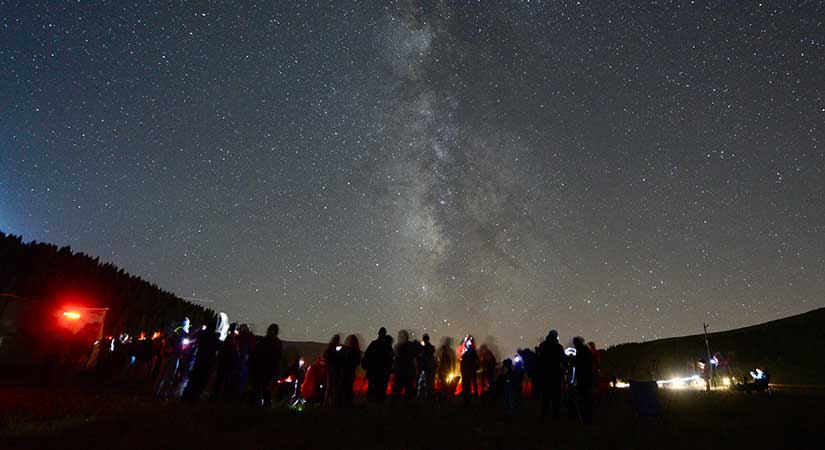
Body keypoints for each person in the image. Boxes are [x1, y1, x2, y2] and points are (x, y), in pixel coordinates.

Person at [182, 315, 223, 402]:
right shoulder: (214, 336)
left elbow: (193, 338)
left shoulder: (203, 333)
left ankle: (187, 396)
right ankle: (194, 397)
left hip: (200, 358)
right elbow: (218, 348)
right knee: (201, 379)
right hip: (207, 361)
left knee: (194, 377)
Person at [153, 318, 190, 400]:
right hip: (173, 356)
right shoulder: (181, 331)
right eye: (188, 323)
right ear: (185, 324)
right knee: (169, 376)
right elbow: (188, 338)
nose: (188, 325)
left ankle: (155, 391)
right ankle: (162, 394)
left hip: (168, 355)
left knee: (162, 374)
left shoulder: (175, 331)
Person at [248, 323, 283, 407]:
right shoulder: (274, 343)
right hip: (262, 368)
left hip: (266, 369)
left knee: (263, 390)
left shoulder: (267, 342)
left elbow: (277, 359)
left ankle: (259, 407)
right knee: (260, 389)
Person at [362, 327, 394, 403]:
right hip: (382, 372)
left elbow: (367, 355)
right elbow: (391, 356)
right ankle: (378, 406)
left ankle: (371, 405)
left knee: (372, 389)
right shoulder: (386, 346)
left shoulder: (374, 344)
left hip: (374, 371)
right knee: (380, 391)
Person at [538, 330, 564, 420]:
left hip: (545, 374)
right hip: (556, 374)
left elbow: (539, 359)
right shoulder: (559, 347)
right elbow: (563, 360)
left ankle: (543, 415)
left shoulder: (543, 346)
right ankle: (555, 416)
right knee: (556, 397)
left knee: (545, 397)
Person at [571, 336, 594, 424]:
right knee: (586, 397)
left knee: (585, 398)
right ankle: (587, 416)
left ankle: (585, 417)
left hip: (584, 378)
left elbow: (579, 364)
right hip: (586, 377)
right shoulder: (585, 350)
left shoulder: (581, 351)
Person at [392, 330, 420, 399]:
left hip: (401, 373)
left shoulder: (398, 347)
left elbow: (395, 359)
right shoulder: (410, 346)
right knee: (407, 392)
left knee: (398, 392)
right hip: (408, 373)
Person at [340, 334, 361, 407]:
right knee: (348, 387)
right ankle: (347, 403)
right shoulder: (356, 351)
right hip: (350, 372)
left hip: (346, 372)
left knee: (345, 387)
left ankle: (344, 403)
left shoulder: (346, 350)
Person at [459, 335, 479, 400]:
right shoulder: (472, 351)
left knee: (468, 381)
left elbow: (464, 360)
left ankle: (468, 394)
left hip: (469, 369)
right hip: (471, 369)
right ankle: (473, 393)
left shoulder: (469, 351)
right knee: (472, 381)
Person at [417, 334, 436, 400]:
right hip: (429, 368)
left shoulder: (424, 348)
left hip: (425, 369)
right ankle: (428, 397)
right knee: (429, 384)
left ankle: (425, 397)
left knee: (425, 384)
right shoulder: (431, 347)